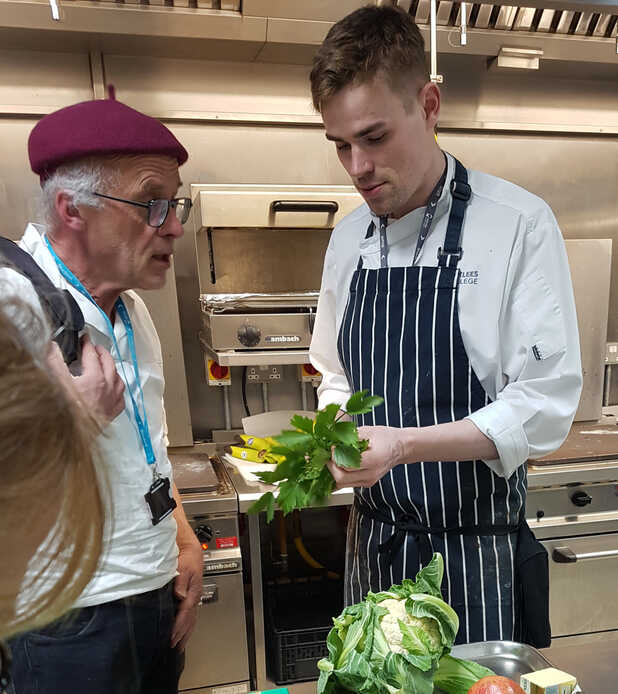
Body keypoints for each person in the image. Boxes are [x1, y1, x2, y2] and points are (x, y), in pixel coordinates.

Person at [309, 5, 582, 645]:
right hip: (374, 551)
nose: (357, 167)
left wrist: (405, 446)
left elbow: (543, 405)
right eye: (340, 145)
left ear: (429, 105)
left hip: (474, 561)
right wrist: (340, 422)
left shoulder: (516, 224)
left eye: (374, 138)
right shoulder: (348, 238)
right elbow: (334, 371)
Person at [4, 94, 203, 694]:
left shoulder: (133, 309)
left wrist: (184, 540)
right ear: (72, 209)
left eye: (176, 203)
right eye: (151, 203)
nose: (173, 224)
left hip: (154, 592)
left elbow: (148, 451)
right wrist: (74, 421)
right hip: (70, 620)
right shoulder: (13, 305)